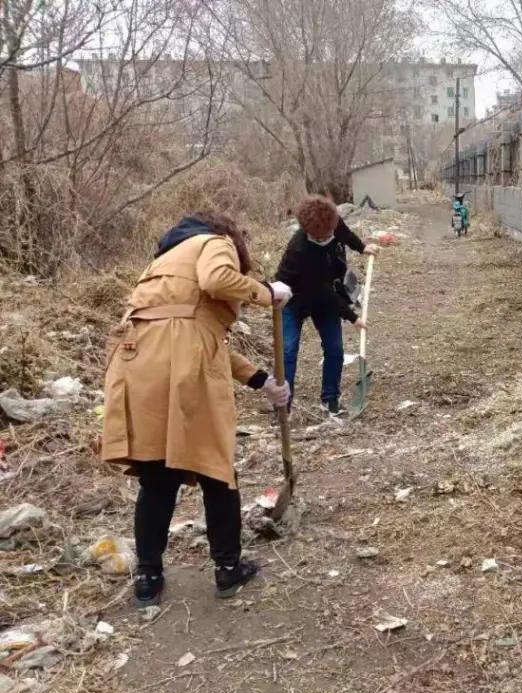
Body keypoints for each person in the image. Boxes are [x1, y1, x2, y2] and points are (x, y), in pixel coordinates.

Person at [101, 212, 294, 606]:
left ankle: (148, 578)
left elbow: (202, 335)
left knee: (157, 475)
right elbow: (217, 282)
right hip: (181, 363)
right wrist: (266, 292)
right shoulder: (214, 241)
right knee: (216, 467)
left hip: (137, 363)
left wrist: (261, 380)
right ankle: (228, 570)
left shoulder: (164, 262)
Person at [275, 194, 378, 414]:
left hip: (324, 298)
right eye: (321, 237)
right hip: (292, 299)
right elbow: (323, 291)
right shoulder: (299, 250)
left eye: (330, 233)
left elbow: (345, 234)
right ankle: (282, 407)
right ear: (308, 231)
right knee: (288, 351)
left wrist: (362, 247)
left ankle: (330, 399)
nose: (328, 238)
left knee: (335, 349)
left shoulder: (332, 221)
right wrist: (353, 317)